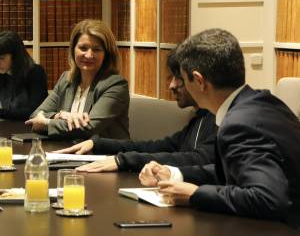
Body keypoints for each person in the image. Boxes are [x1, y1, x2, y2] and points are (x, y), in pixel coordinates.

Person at [138, 29, 300, 233]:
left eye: (183, 79)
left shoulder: (239, 124)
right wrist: (177, 173)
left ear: (199, 81)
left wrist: (196, 194)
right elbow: (237, 170)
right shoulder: (264, 102)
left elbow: (268, 197)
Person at [57, 47, 217, 172]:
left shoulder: (219, 119)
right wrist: (98, 144)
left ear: (199, 80)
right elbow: (161, 146)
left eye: (178, 79)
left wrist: (123, 161)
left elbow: (196, 159)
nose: (171, 86)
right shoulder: (200, 118)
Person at [26, 19, 129, 140]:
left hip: (105, 155)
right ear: (73, 49)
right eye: (83, 48)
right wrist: (60, 115)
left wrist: (47, 123)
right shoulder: (66, 79)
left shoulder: (116, 85)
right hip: (68, 151)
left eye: (96, 49)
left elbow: (89, 128)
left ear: (106, 54)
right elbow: (36, 115)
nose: (89, 55)